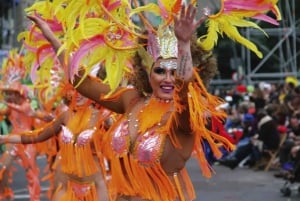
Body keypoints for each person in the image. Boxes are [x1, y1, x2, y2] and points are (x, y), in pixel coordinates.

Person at [27, 3, 236, 200]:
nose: (168, 79)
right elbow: (83, 83)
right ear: (147, 72)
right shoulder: (132, 101)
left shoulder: (183, 115)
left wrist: (183, 45)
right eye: (160, 71)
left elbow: (182, 91)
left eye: (174, 72)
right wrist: (53, 39)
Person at [0, 84, 112, 201]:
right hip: (68, 187)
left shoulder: (101, 117)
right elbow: (38, 135)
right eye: (74, 91)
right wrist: (5, 138)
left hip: (96, 188)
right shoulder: (65, 116)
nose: (78, 94)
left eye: (83, 91)